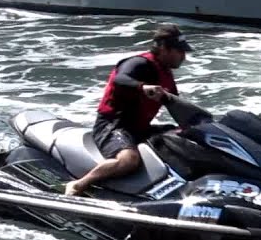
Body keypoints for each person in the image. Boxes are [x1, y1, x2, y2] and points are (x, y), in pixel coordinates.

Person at [63, 24, 192, 197]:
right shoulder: (138, 63)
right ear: (163, 48)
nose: (184, 56)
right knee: (129, 160)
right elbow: (120, 79)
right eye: (179, 51)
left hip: (139, 128)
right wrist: (142, 86)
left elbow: (177, 105)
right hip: (113, 125)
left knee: (182, 138)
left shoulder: (165, 73)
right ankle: (78, 185)